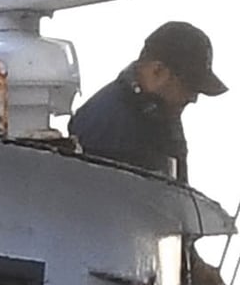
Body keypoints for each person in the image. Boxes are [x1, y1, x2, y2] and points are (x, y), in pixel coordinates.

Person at [68, 21, 226, 184]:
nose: (193, 98)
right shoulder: (104, 120)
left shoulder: (160, 114)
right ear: (157, 71)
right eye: (188, 86)